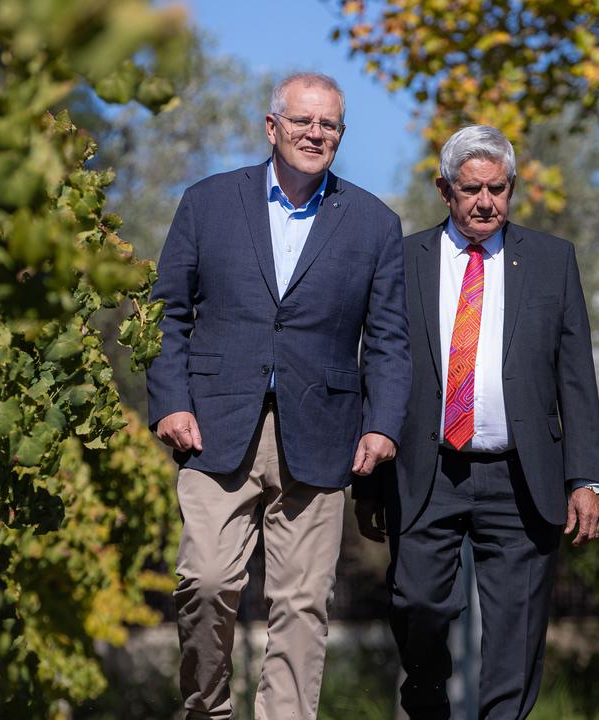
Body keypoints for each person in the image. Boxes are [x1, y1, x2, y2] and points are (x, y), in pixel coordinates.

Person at [147, 71, 410, 720]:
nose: (315, 134)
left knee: (301, 604)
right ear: (272, 127)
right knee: (205, 582)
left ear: (341, 136)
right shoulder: (207, 203)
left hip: (322, 434)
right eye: (303, 121)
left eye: (329, 126)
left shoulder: (374, 224)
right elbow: (166, 314)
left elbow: (388, 340)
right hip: (214, 426)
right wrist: (170, 401)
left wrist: (383, 424)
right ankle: (206, 709)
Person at [354, 125, 599, 719]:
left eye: (498, 188)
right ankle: (425, 689)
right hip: (427, 469)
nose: (485, 201)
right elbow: (378, 367)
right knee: (416, 601)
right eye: (471, 189)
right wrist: (367, 482)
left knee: (515, 638)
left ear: (512, 188)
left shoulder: (551, 260)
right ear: (445, 190)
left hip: (522, 474)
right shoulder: (402, 258)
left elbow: (577, 376)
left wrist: (586, 479)